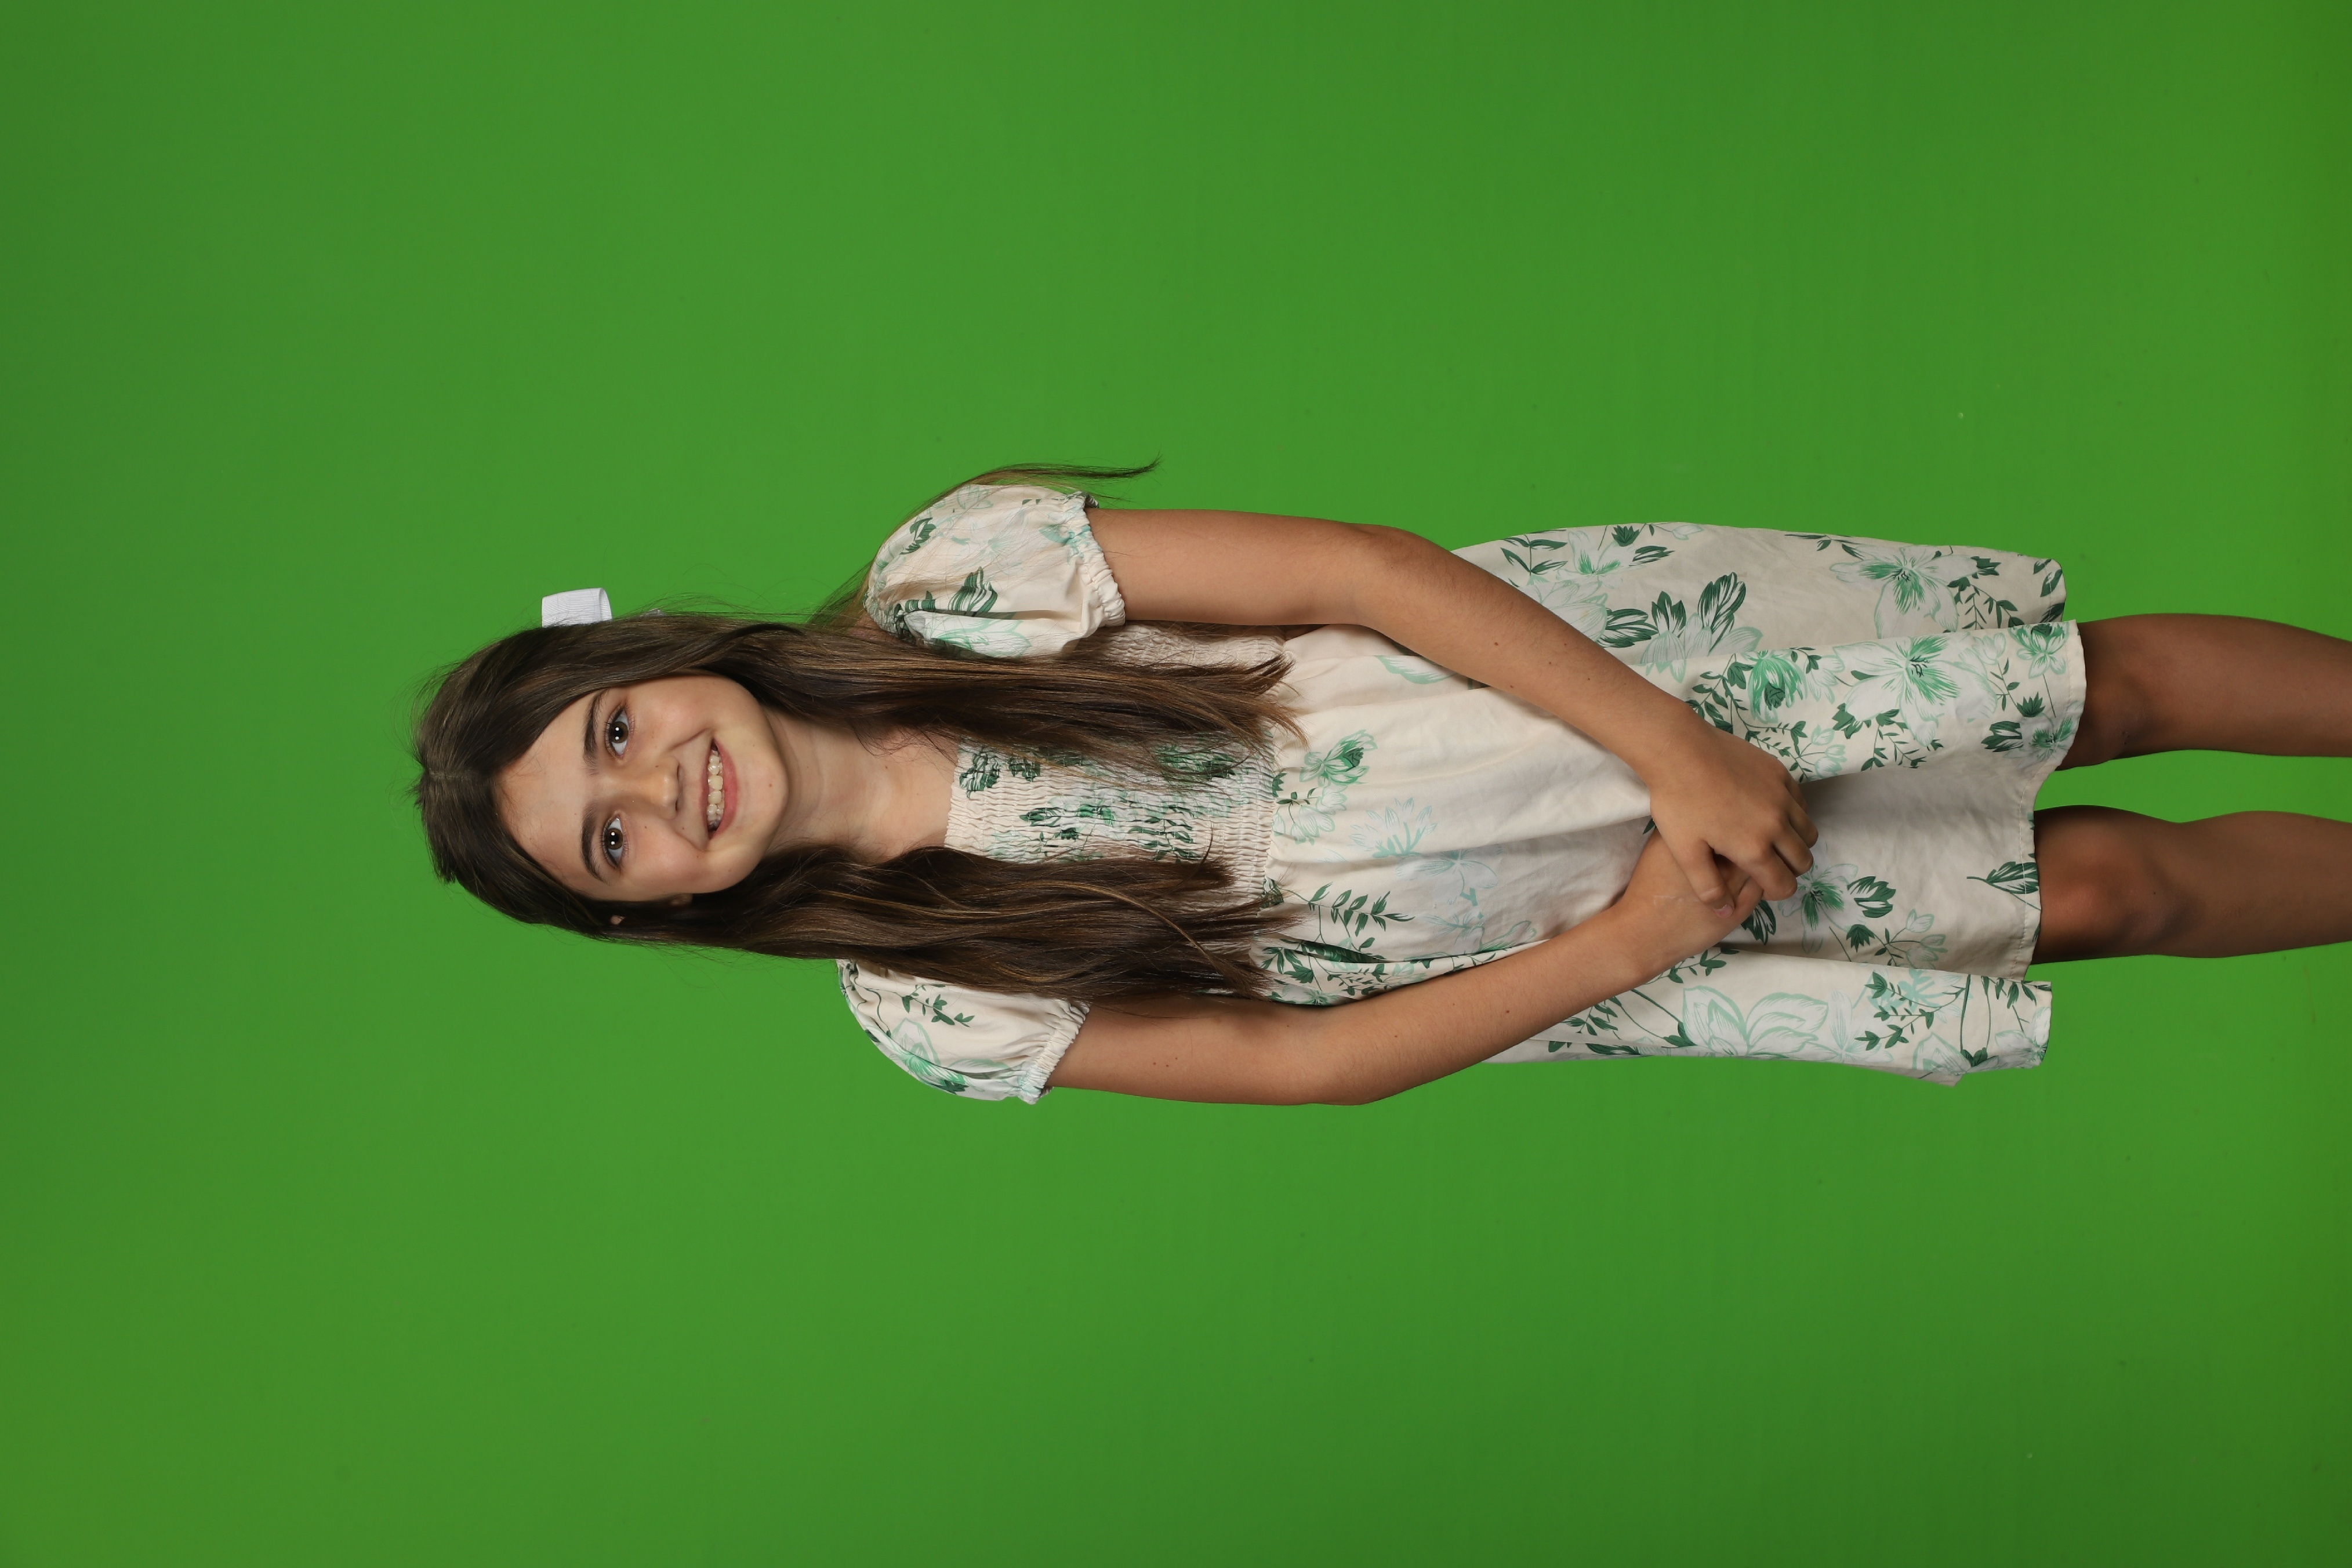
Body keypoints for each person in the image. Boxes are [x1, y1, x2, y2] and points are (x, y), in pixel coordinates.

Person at [413, 464, 2352, 1105]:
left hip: (1590, 697)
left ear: (649, 662)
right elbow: (1294, 1066)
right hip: (1589, 929)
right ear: (651, 906)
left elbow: (1356, 572)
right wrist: (1639, 938)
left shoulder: (956, 582)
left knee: (2091, 696)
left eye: (614, 733)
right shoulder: (931, 1000)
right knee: (2102, 894)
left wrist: (1671, 746)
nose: (660, 789)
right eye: (613, 842)